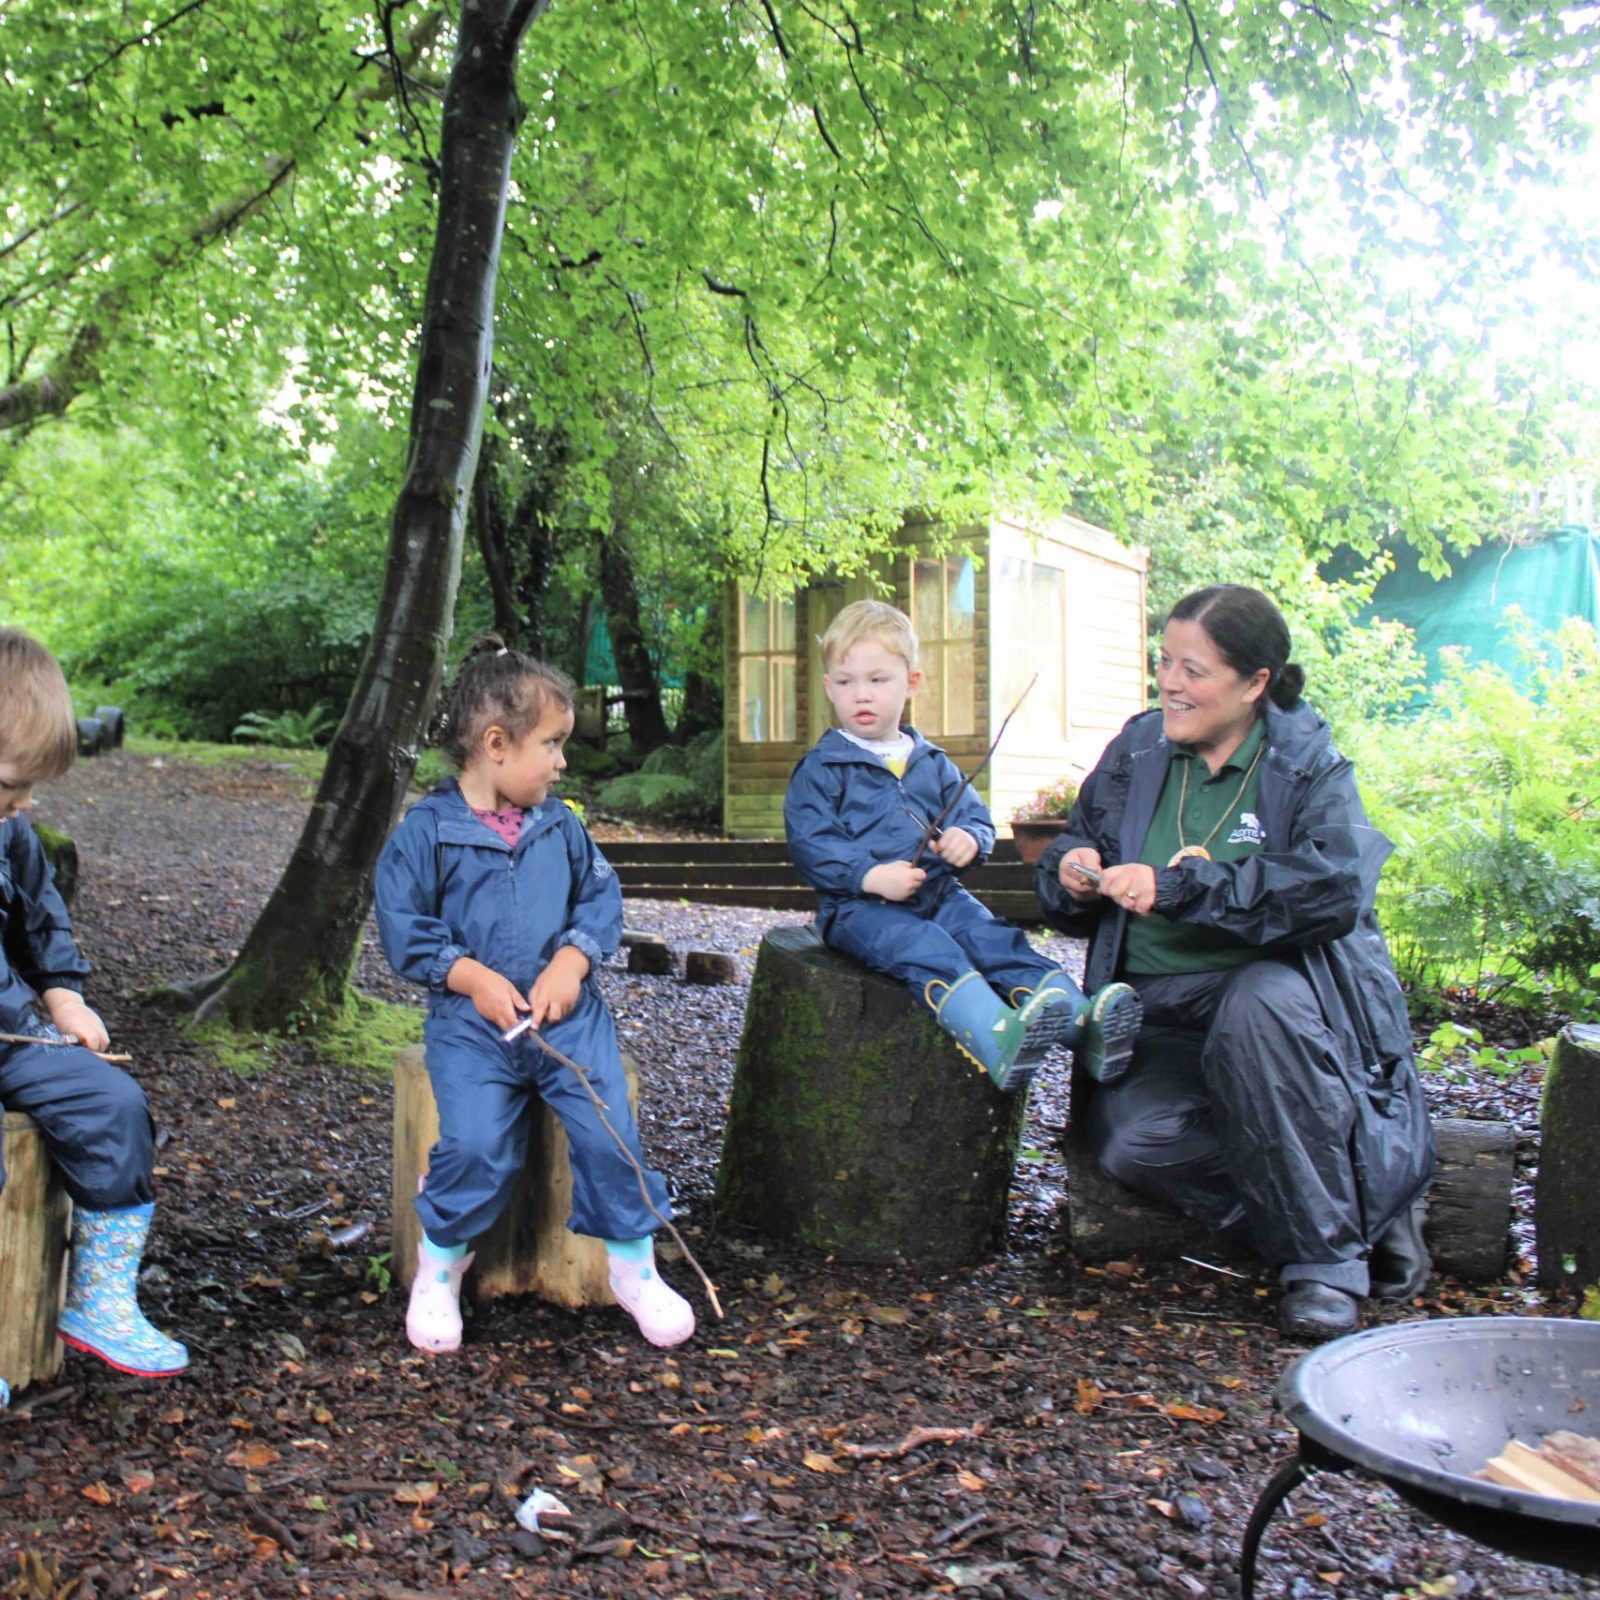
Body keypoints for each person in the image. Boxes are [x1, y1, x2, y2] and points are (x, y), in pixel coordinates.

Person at [1036, 584, 1434, 1341]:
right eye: (1164, 663)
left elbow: (1335, 887)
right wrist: (1068, 868)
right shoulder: (1138, 748)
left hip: (1276, 1007)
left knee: (1259, 1004)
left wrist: (1183, 887)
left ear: (1255, 684)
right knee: (1135, 1146)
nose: (1171, 684)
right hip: (1154, 1005)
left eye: (1195, 669)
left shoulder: (1306, 764)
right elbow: (1068, 860)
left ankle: (1324, 1268)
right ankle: (1359, 1206)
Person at [375, 638, 694, 1354]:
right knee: (478, 1146)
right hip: (472, 1029)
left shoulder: (562, 826)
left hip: (567, 1022)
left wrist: (574, 961)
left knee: (609, 1128)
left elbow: (601, 896)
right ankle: (440, 1265)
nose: (561, 761)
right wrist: (471, 976)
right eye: (551, 744)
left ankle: (633, 1267)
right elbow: (404, 927)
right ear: (495, 744)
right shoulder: (427, 834)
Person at [785, 599, 1142, 1092]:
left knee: (993, 936)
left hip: (938, 895)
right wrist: (869, 876)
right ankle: (996, 1037)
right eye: (846, 682)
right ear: (829, 687)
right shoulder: (823, 769)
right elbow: (811, 843)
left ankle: (1084, 1026)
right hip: (859, 910)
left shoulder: (931, 761)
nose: (861, 695)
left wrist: (967, 840)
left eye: (877, 679)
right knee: (928, 948)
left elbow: (972, 815)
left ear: (911, 681)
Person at [0, 630, 188, 1406]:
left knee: (114, 1106)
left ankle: (101, 1298)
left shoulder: (12, 835)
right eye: (12, 787)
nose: (25, 806)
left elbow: (41, 924)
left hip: (15, 1037)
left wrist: (64, 995)